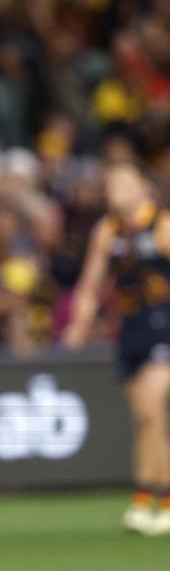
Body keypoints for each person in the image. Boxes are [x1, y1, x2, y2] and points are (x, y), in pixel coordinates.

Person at [63, 160, 170, 536]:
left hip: (164, 326)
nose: (115, 190)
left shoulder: (162, 225)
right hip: (132, 330)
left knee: (150, 407)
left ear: (144, 188)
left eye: (124, 181)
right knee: (146, 420)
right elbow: (91, 285)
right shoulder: (107, 231)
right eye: (111, 184)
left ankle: (148, 498)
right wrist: (78, 324)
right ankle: (156, 499)